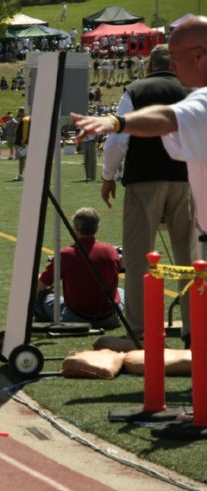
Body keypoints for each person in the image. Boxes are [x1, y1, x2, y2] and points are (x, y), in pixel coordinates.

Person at [73, 24, 207, 348]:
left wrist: (107, 176)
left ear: (150, 65)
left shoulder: (136, 91)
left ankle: (140, 331)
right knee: (191, 258)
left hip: (144, 179)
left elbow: (119, 140)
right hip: (187, 181)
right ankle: (194, 330)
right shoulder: (195, 91)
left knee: (139, 258)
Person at [35, 207, 124, 329]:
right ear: (97, 228)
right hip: (109, 318)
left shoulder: (66, 254)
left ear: (76, 228)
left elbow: (42, 284)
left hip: (77, 319)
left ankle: (41, 315)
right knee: (121, 291)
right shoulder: (110, 250)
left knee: (44, 295)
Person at [13, 106, 30, 181]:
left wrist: (23, 141)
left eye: (20, 111)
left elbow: (25, 132)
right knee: (22, 159)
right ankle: (21, 175)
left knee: (22, 159)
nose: (19, 113)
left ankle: (21, 175)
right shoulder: (22, 119)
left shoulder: (25, 119)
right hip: (21, 143)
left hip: (22, 143)